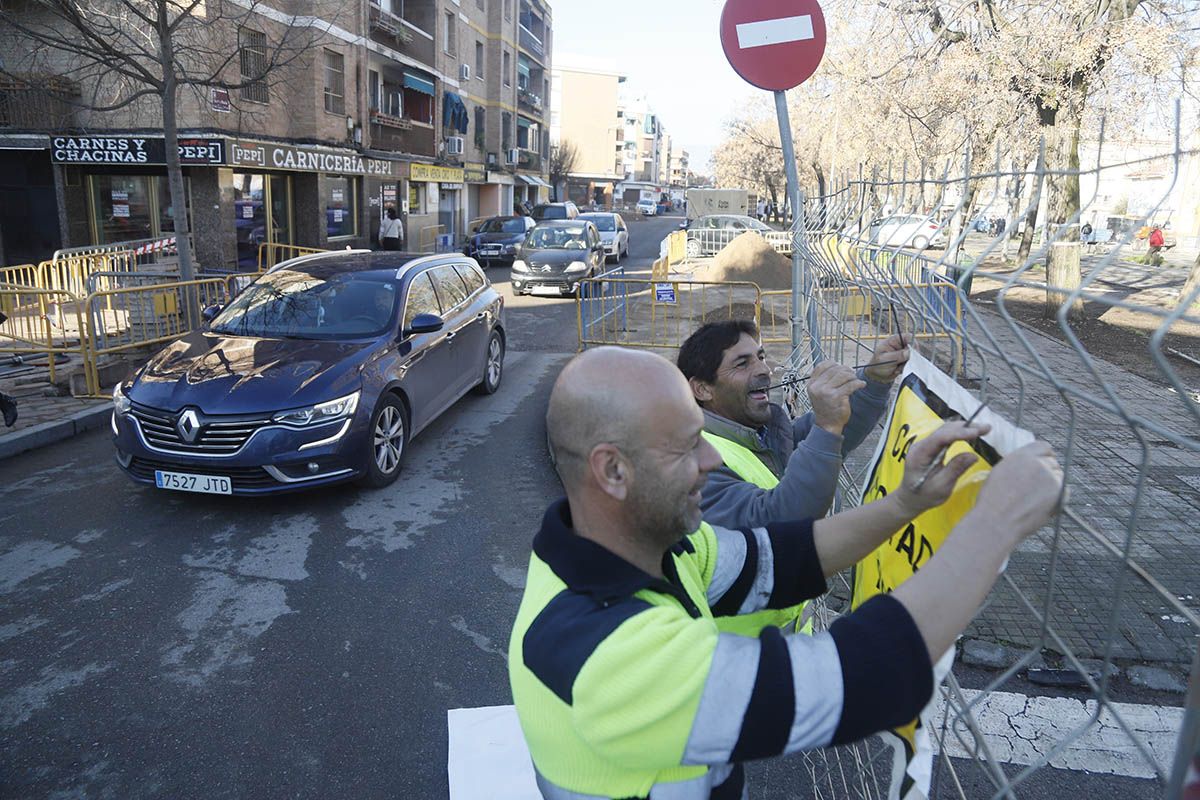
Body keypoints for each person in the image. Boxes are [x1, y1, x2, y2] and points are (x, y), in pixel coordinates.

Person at [509, 346, 1063, 798]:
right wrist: (995, 523)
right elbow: (863, 676)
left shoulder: (642, 547)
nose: (711, 460)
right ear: (613, 470)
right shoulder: (608, 655)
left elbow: (785, 557)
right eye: (686, 446)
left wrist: (906, 504)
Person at [677, 319, 906, 530]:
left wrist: (875, 378)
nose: (764, 370)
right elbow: (777, 521)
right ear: (703, 389)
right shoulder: (694, 468)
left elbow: (830, 432)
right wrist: (827, 427)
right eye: (742, 364)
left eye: (761, 357)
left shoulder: (762, 434)